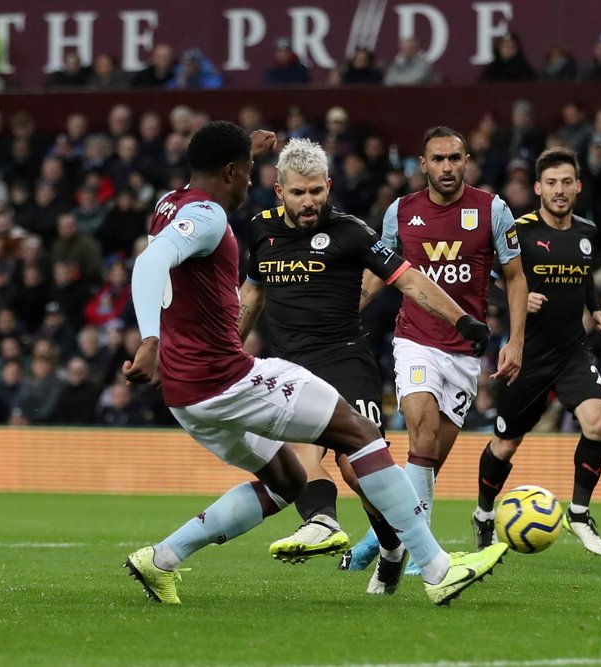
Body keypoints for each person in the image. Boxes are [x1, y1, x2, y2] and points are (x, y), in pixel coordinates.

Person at [122, 120, 508, 606]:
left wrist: (248, 150)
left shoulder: (171, 202)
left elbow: (405, 280)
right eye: (246, 175)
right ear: (234, 173)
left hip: (187, 392)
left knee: (286, 480)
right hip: (227, 376)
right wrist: (149, 340)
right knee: (362, 437)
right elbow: (149, 264)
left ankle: (161, 559)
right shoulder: (212, 218)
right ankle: (435, 568)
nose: (250, 185)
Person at [241, 137, 492, 596]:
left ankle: (392, 547)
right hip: (289, 368)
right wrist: (223, 353)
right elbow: (252, 294)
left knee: (359, 470)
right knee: (301, 456)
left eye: (317, 191)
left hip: (346, 362)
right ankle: (324, 522)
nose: (309, 200)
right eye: (298, 192)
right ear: (280, 192)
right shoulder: (259, 230)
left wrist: (461, 318)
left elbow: (410, 280)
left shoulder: (351, 232)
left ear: (329, 187)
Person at [342, 126, 528, 571]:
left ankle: (382, 545)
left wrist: (516, 341)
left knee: (426, 465)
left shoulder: (493, 210)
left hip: (466, 352)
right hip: (415, 340)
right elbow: (378, 272)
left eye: (455, 159)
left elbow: (516, 277)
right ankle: (420, 560)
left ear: (467, 162)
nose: (447, 167)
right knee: (420, 433)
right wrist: (343, 316)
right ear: (422, 165)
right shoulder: (401, 212)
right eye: (438, 159)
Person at [470, 147, 601, 555]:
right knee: (506, 444)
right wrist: (516, 299)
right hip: (526, 355)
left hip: (571, 351)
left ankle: (580, 513)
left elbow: (583, 277)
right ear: (538, 188)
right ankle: (483, 514)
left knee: (599, 424)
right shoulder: (519, 231)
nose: (560, 190)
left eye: (567, 182)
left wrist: (597, 308)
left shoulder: (586, 231)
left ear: (578, 186)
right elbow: (486, 282)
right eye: (551, 183)